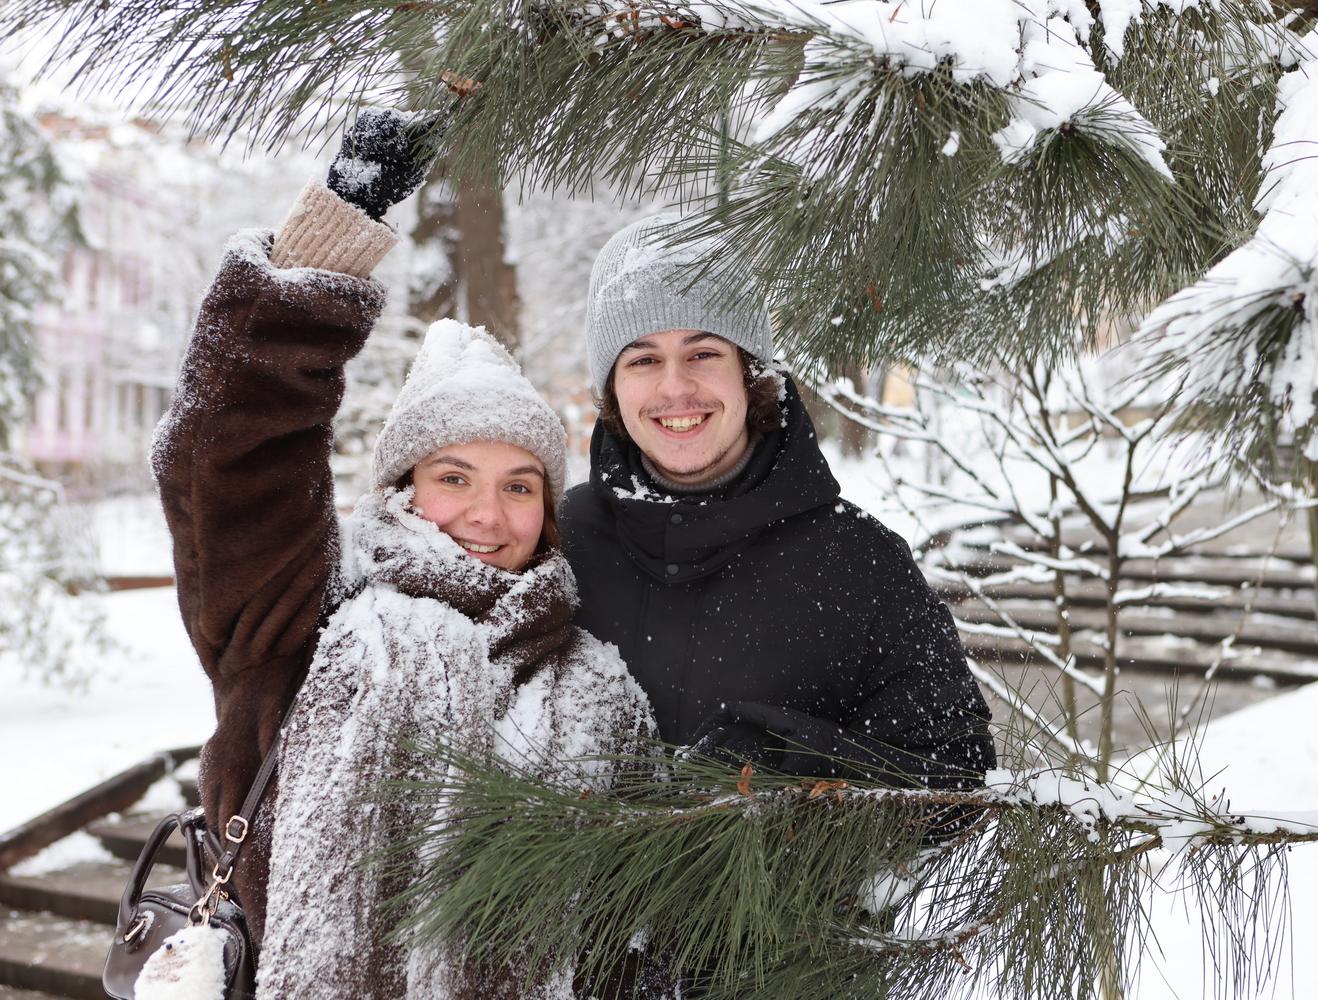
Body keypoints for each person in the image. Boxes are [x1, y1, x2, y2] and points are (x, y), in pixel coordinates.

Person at [152, 112, 660, 997]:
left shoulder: (595, 684)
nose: (486, 514)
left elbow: (632, 930)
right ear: (402, 490)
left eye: (519, 484)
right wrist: (322, 258)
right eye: (454, 476)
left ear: (549, 508)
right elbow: (226, 459)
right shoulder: (307, 623)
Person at [560, 216, 998, 787]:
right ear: (613, 387)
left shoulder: (859, 562)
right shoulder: (559, 537)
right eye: (642, 360)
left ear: (750, 372)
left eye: (704, 353)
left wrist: (794, 767)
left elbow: (956, 774)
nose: (674, 388)